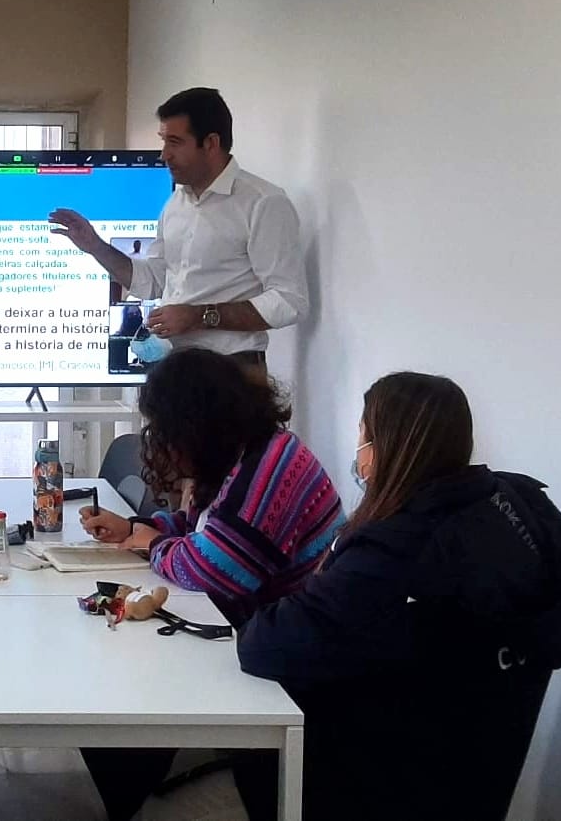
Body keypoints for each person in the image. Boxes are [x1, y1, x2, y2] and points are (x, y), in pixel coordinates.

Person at [225, 373, 561, 821]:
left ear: (388, 446)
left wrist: (329, 571)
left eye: (363, 436)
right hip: (479, 771)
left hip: (384, 772)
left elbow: (264, 646)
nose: (358, 454)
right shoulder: (521, 503)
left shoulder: (394, 550)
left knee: (250, 738)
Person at [77, 347, 344, 821]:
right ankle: (126, 784)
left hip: (283, 651)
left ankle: (128, 787)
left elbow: (216, 571)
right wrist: (139, 527)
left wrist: (150, 543)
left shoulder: (270, 470)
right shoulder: (247, 452)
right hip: (255, 622)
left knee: (124, 684)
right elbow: (203, 526)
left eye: (164, 428)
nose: (159, 441)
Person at [49, 87, 308, 382]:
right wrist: (96, 247)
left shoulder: (262, 202)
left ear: (211, 143)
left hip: (234, 374)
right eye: (164, 141)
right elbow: (153, 282)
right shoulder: (175, 204)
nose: (164, 155)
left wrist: (199, 316)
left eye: (175, 142)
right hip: (175, 371)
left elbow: (290, 302)